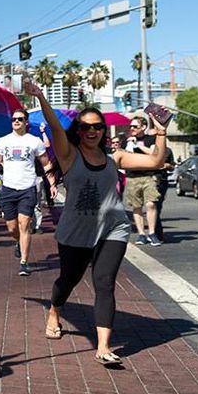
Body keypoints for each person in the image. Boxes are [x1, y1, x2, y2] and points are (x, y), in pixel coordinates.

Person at [27, 81, 170, 367]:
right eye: (85, 127)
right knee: (68, 281)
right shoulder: (69, 156)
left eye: (97, 127)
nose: (92, 131)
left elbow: (155, 160)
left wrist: (162, 131)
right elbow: (55, 127)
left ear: (104, 131)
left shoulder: (113, 157)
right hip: (76, 231)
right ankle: (55, 310)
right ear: (78, 132)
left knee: (104, 282)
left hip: (112, 229)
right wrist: (41, 96)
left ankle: (103, 346)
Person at [0, 105, 56, 276]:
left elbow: (46, 164)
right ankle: (18, 242)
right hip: (8, 188)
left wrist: (52, 183)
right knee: (12, 228)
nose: (16, 121)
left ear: (26, 122)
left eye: (19, 119)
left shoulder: (34, 141)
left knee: (24, 224)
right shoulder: (3, 141)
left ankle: (24, 262)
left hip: (27, 188)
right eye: (14, 119)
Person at [123, 117, 163, 245]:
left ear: (143, 127)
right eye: (131, 127)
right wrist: (129, 146)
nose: (132, 129)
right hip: (132, 177)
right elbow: (124, 157)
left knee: (151, 204)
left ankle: (152, 232)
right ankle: (141, 234)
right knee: (136, 206)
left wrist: (137, 145)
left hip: (148, 176)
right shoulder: (126, 141)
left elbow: (152, 153)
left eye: (135, 126)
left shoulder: (150, 139)